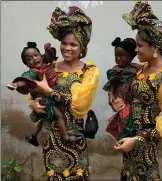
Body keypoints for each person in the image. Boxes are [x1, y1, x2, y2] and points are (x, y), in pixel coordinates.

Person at [112, 1, 162, 180]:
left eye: (140, 45)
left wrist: (137, 140)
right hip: (129, 142)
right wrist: (118, 103)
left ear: (155, 47)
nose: (135, 49)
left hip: (146, 147)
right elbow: (129, 99)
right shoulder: (140, 70)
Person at [28, 6, 99, 180]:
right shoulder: (49, 68)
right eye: (64, 43)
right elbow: (34, 93)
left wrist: (49, 91)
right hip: (50, 135)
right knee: (54, 176)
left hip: (74, 135)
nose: (67, 48)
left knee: (77, 175)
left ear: (81, 47)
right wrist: (33, 104)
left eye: (73, 44)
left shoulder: (88, 71)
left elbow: (79, 103)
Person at [6, 42, 77, 147]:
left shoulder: (45, 62)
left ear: (40, 55)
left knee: (45, 119)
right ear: (27, 64)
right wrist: (16, 84)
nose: (34, 59)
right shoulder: (32, 72)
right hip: (46, 98)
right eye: (29, 59)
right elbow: (25, 80)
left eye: (36, 55)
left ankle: (33, 136)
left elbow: (50, 55)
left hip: (54, 94)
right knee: (60, 116)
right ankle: (65, 137)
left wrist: (48, 49)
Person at [103, 37, 140, 140]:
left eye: (121, 55)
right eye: (116, 56)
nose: (118, 58)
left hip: (131, 102)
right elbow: (112, 84)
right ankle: (125, 139)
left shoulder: (137, 69)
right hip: (120, 102)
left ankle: (129, 139)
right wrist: (111, 95)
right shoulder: (115, 70)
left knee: (129, 123)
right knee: (122, 122)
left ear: (132, 55)